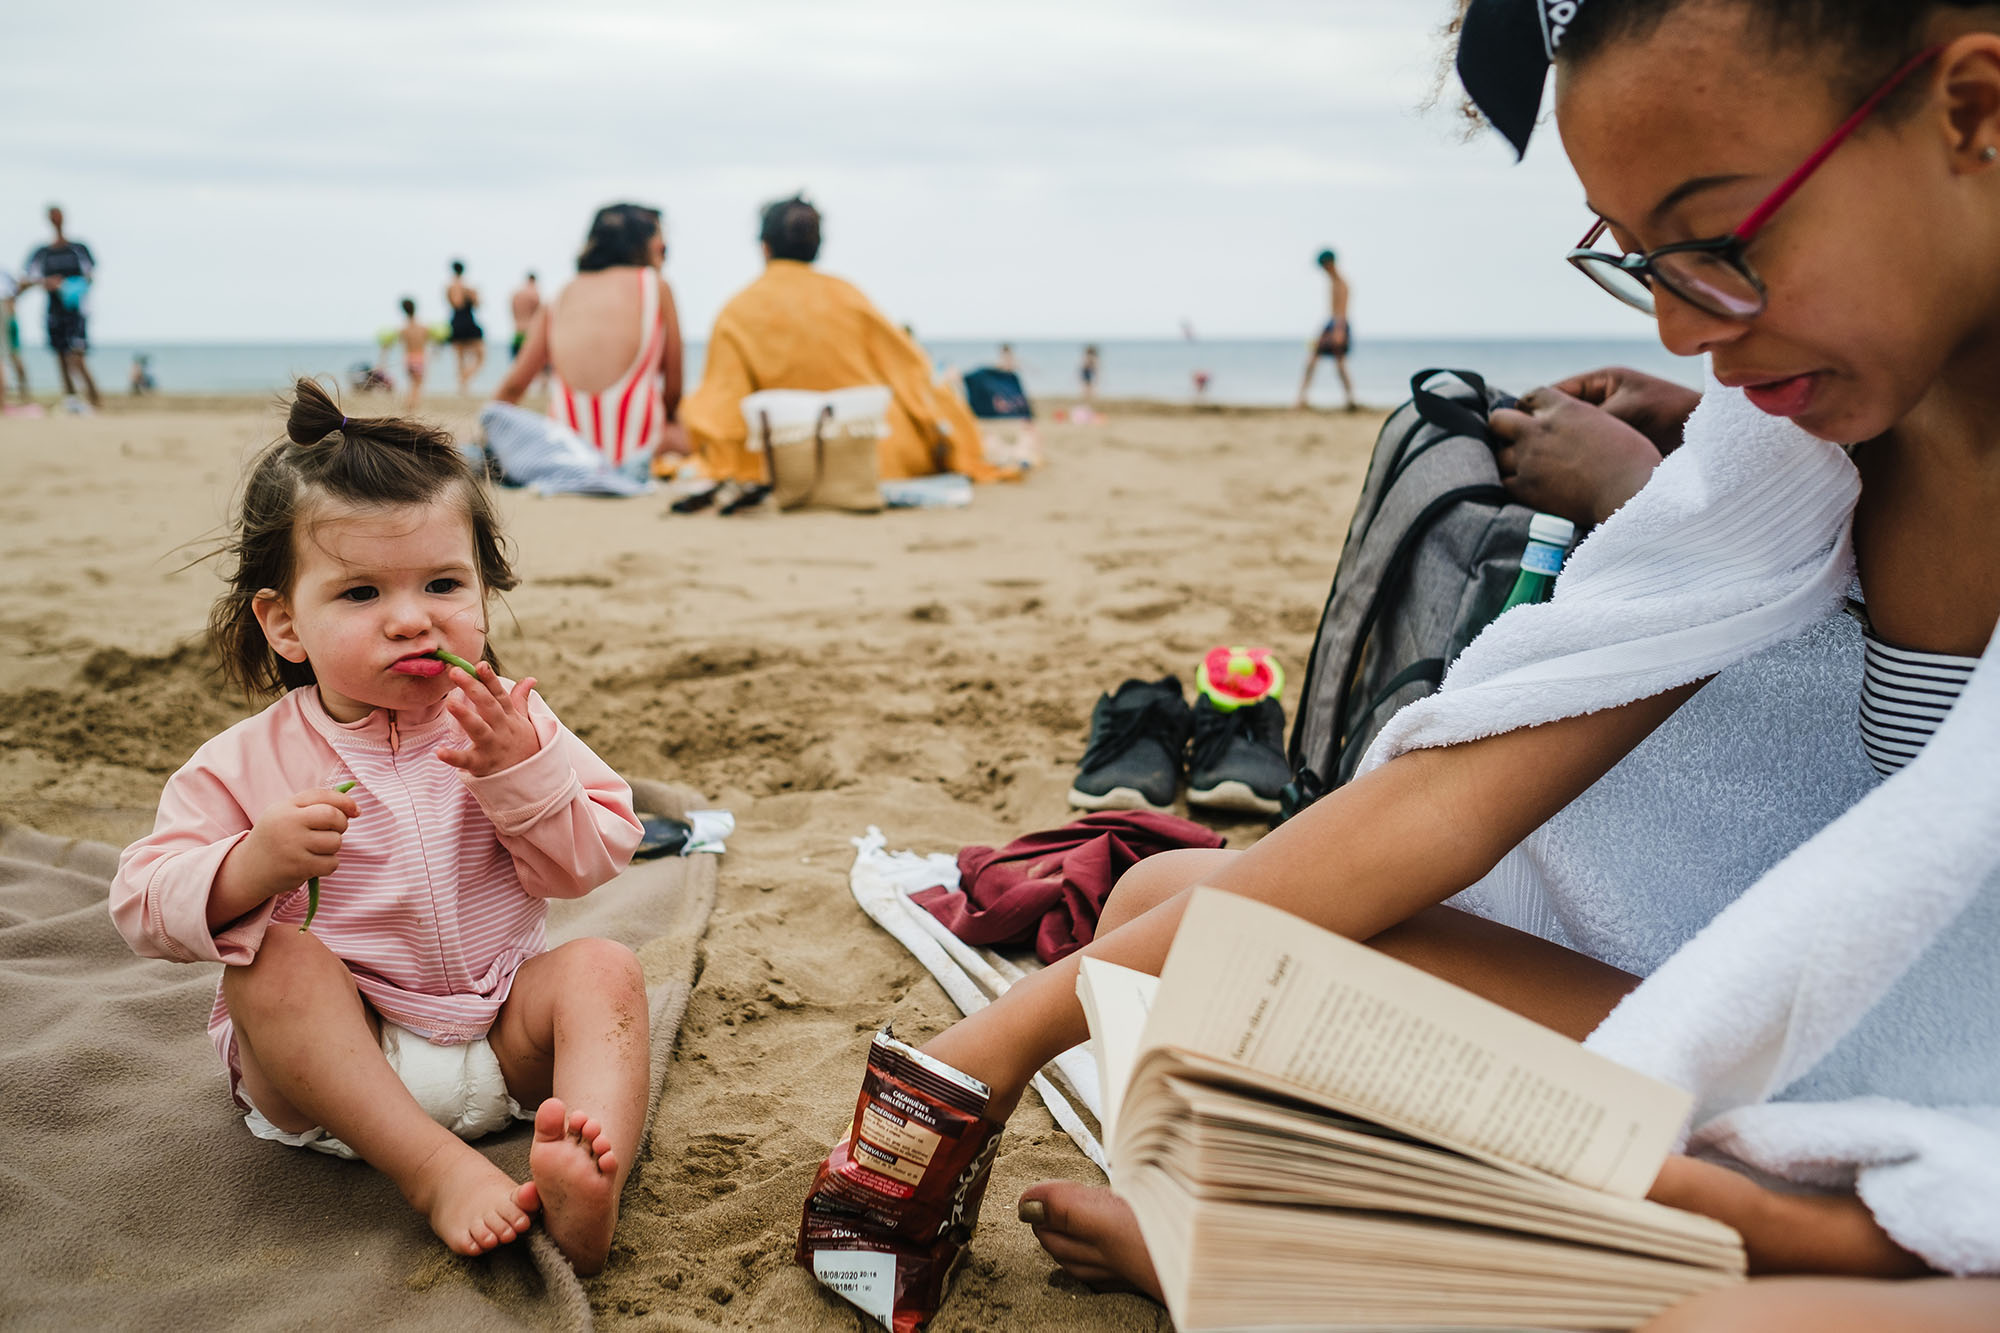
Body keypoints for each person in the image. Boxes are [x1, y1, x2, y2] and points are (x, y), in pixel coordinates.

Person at [806, 2, 2000, 1327]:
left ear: (1975, 113)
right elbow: (1454, 798)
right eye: (1641, 261)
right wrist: (992, 1047)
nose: (1680, 331)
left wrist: (1843, 1236)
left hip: (1959, 1123)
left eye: (1720, 243)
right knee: (1193, 907)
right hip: (1847, 1043)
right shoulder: (1817, 435)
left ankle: (1326, 1261)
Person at [108, 378, 648, 1273]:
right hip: (339, 1077)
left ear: (484, 591)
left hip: (504, 1043)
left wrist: (521, 776)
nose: (411, 618)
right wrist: (250, 865)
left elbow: (592, 860)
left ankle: (589, 1172)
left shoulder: (511, 723)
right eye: (360, 593)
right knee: (271, 969)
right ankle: (436, 1170)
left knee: (606, 966)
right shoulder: (246, 759)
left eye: (443, 583)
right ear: (285, 624)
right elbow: (139, 902)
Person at [680, 195, 1011, 485]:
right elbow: (912, 375)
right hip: (877, 455)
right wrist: (953, 437)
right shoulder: (849, 297)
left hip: (782, 460)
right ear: (817, 247)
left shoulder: (738, 310)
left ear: (764, 246)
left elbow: (722, 405)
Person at [494, 203, 687, 478]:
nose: (663, 254)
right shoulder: (655, 286)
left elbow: (513, 388)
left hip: (567, 455)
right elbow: (674, 388)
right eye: (662, 247)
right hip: (638, 450)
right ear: (642, 245)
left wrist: (493, 436)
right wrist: (672, 422)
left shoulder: (560, 296)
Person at [22, 205, 100, 410]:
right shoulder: (42, 253)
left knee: (76, 356)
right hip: (54, 311)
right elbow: (27, 278)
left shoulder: (78, 249)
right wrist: (47, 283)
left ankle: (95, 401)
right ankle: (72, 400)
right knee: (60, 356)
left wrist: (69, 286)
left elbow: (91, 276)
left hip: (76, 311)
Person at [1297, 248, 1357, 411]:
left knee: (1333, 364)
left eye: (1324, 266)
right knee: (1328, 363)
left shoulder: (1341, 283)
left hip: (1337, 325)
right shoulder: (1333, 282)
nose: (1323, 270)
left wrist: (1338, 330)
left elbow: (1342, 310)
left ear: (1330, 264)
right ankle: (1303, 398)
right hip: (1332, 324)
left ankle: (1350, 399)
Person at [446, 260, 485, 395]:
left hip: (457, 321)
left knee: (461, 357)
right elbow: (459, 303)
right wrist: (471, 294)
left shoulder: (450, 286)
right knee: (479, 355)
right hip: (466, 320)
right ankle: (464, 381)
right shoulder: (463, 287)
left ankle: (463, 383)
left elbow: (454, 303)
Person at [395, 297, 429, 412]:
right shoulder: (423, 327)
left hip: (408, 358)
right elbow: (427, 341)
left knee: (412, 384)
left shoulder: (404, 329)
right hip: (419, 358)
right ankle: (411, 406)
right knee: (417, 385)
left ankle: (409, 405)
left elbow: (400, 342)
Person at [0, 266, 27, 408]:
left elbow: (22, 284)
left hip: (6, 315)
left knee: (7, 356)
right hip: (8, 314)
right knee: (11, 355)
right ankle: (22, 396)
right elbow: (22, 284)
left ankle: (3, 402)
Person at [510, 272, 541, 360]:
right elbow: (539, 315)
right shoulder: (534, 294)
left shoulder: (516, 294)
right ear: (534, 281)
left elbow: (513, 312)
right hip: (529, 334)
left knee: (516, 364)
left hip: (517, 332)